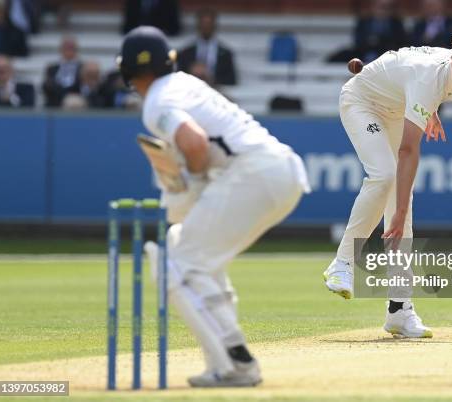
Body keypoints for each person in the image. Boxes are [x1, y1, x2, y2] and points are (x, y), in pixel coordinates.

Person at [117, 26, 310, 387]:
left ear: (127, 72)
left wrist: (190, 181)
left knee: (179, 265)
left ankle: (237, 364)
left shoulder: (156, 102)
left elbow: (194, 144)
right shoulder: (185, 83)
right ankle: (224, 362)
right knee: (199, 261)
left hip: (253, 173)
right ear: (169, 60)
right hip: (279, 170)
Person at [323, 27, 452, 338]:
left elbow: (414, 78)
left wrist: (428, 108)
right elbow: (409, 150)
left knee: (401, 214)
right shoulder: (428, 78)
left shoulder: (446, 71)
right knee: (385, 176)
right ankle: (342, 263)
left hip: (394, 108)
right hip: (361, 103)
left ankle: (400, 311)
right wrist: (398, 210)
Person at [178, 9, 237, 86]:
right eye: (203, 24)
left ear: (214, 26)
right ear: (198, 26)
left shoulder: (225, 54)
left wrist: (211, 78)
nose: (206, 27)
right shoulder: (185, 53)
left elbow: (232, 80)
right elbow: (179, 78)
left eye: (209, 24)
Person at [42, 35, 81, 107]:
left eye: (71, 48)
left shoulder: (83, 68)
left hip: (76, 103)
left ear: (76, 50)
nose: (69, 50)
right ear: (60, 49)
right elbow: (47, 86)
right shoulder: (52, 68)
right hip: (55, 102)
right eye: (66, 48)